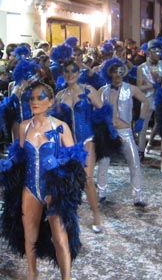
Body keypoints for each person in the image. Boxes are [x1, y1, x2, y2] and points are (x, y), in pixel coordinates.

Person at [0, 82, 86, 280]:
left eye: (40, 97)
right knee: (30, 236)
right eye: (32, 98)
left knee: (60, 238)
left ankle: (67, 277)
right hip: (30, 187)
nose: (35, 102)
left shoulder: (60, 127)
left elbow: (76, 157)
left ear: (51, 102)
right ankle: (32, 273)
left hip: (54, 189)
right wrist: (9, 162)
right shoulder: (23, 126)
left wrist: (60, 160)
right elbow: (20, 155)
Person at [54, 59, 104, 233]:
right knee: (68, 180)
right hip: (69, 143)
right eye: (66, 72)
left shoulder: (88, 91)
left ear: (78, 73)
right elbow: (58, 122)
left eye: (73, 71)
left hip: (87, 139)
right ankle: (69, 214)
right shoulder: (60, 96)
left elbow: (103, 112)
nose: (70, 75)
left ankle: (96, 214)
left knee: (87, 180)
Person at [97, 58, 149, 206]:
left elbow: (146, 101)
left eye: (120, 72)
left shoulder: (130, 89)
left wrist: (141, 118)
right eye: (114, 72)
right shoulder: (103, 91)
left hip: (125, 131)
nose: (118, 75)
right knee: (103, 162)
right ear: (109, 73)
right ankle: (101, 193)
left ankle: (138, 196)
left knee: (134, 162)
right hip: (108, 131)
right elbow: (97, 109)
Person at [136, 39, 162, 153]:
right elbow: (139, 87)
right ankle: (140, 151)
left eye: (159, 51)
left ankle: (156, 146)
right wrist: (151, 86)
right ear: (149, 52)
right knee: (143, 127)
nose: (158, 54)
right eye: (155, 51)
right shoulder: (141, 67)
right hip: (147, 99)